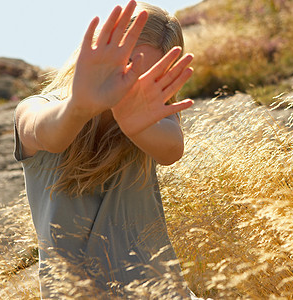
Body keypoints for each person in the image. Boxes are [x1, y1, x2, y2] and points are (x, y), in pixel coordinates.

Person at [14, 1, 196, 298]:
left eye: (145, 76)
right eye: (124, 66)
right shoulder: (37, 107)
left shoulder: (152, 115)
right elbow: (47, 134)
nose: (127, 83)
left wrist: (135, 123)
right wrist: (79, 107)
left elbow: (172, 150)